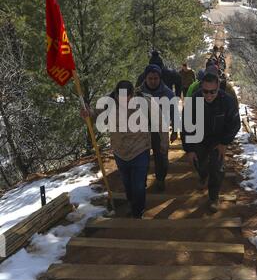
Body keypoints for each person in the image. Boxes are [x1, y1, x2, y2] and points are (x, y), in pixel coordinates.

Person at [81, 80, 169, 218]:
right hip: (119, 151)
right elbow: (96, 115)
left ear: (132, 95)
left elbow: (160, 122)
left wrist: (164, 143)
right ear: (116, 95)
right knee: (127, 184)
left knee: (139, 185)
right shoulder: (108, 104)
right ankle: (131, 202)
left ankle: (138, 211)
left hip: (140, 149)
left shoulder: (145, 102)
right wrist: (88, 113)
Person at [182, 70, 241, 212]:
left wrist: (224, 143)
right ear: (201, 88)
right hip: (199, 138)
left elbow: (234, 124)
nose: (208, 95)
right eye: (205, 91)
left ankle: (214, 197)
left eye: (212, 92)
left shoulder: (228, 101)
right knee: (200, 164)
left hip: (218, 139)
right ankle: (203, 176)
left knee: (216, 169)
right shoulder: (193, 101)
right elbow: (186, 126)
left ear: (218, 88)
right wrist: (189, 149)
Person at [139, 64, 179, 192]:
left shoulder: (168, 93)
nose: (153, 81)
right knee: (141, 156)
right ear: (145, 78)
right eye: (150, 78)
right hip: (142, 129)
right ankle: (141, 181)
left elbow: (175, 112)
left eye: (155, 78)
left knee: (161, 156)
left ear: (160, 78)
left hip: (161, 129)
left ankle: (160, 179)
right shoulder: (138, 92)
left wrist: (175, 130)